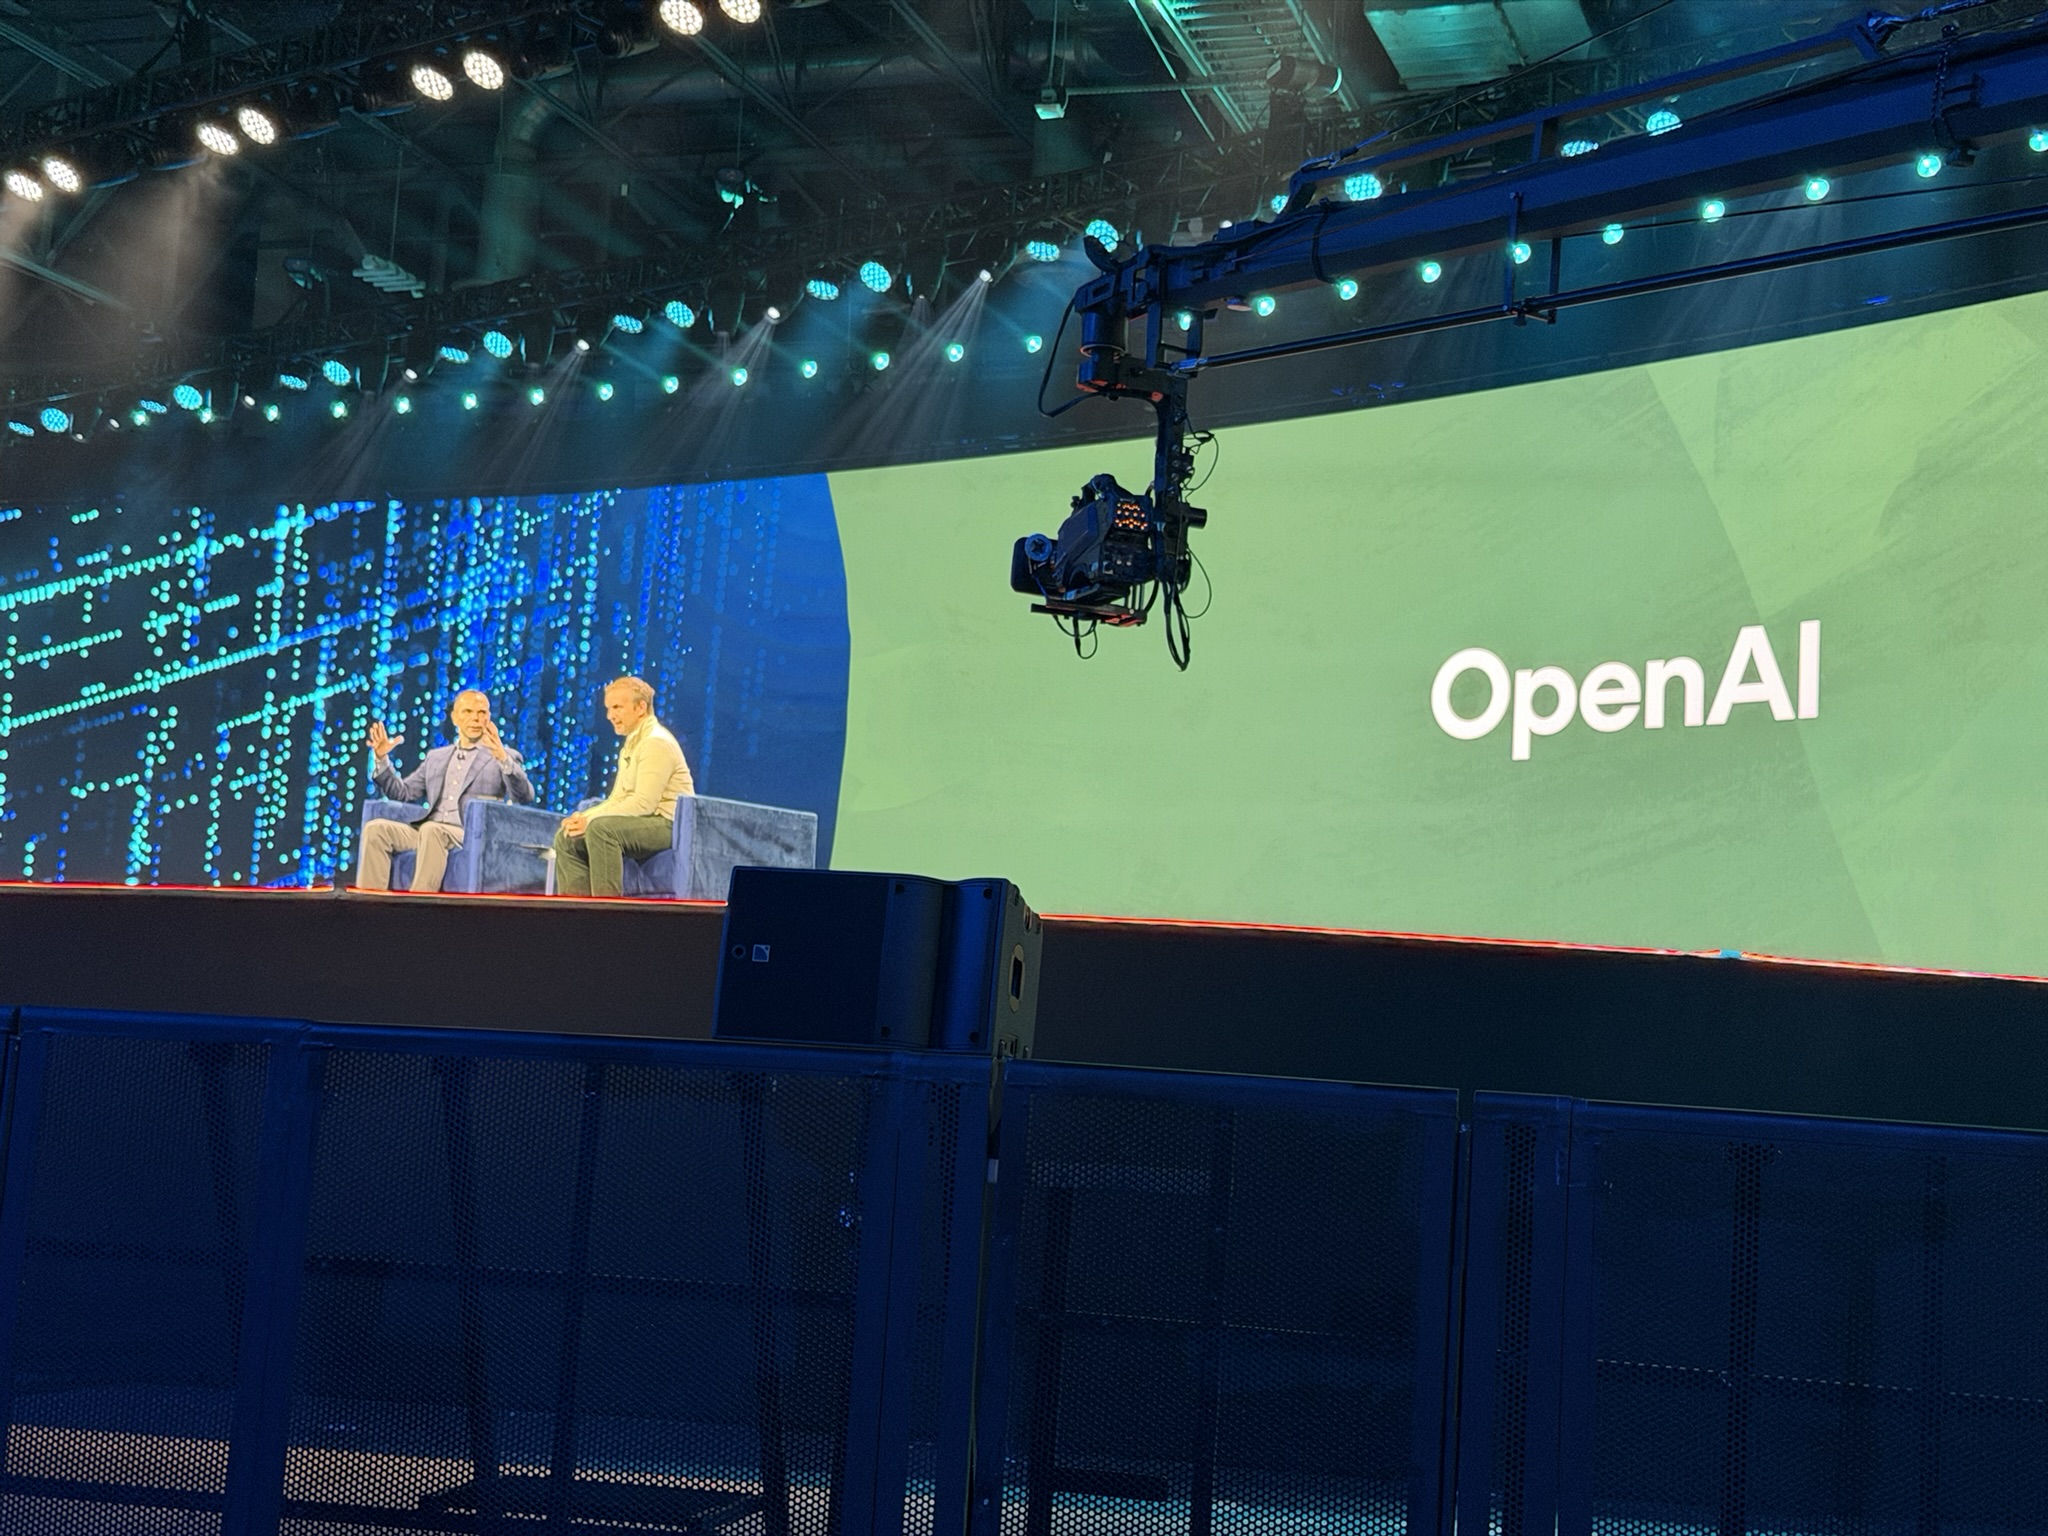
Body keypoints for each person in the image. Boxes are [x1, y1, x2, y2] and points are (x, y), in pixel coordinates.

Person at [356, 689, 535, 892]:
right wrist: (381, 759)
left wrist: (502, 758)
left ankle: (417, 904)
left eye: (482, 712)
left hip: (469, 834)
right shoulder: (436, 757)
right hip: (427, 831)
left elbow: (524, 796)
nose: (476, 718)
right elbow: (403, 793)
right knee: (376, 829)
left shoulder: (504, 756)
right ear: (455, 717)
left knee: (432, 830)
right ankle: (370, 903)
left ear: (489, 717)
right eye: (468, 712)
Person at [552, 675, 695, 897]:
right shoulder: (632, 743)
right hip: (645, 820)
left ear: (641, 708)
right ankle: (577, 912)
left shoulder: (656, 742)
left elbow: (644, 804)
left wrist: (590, 822)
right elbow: (618, 799)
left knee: (601, 830)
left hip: (668, 824)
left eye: (617, 707)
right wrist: (583, 817)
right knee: (566, 838)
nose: (610, 716)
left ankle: (607, 912)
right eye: (608, 709)